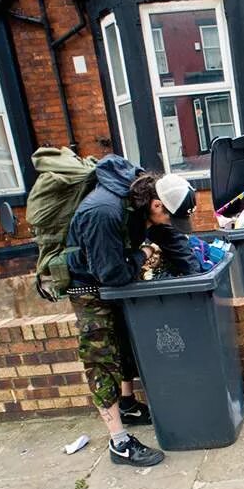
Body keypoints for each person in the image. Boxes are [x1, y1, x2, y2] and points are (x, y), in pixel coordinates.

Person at [65, 161, 198, 467]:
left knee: (126, 341)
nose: (167, 224)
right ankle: (119, 443)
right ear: (155, 204)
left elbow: (170, 237)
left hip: (113, 270)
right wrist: (145, 253)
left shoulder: (151, 197)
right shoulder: (103, 213)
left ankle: (127, 404)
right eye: (167, 217)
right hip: (86, 285)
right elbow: (112, 274)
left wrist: (194, 277)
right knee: (102, 356)